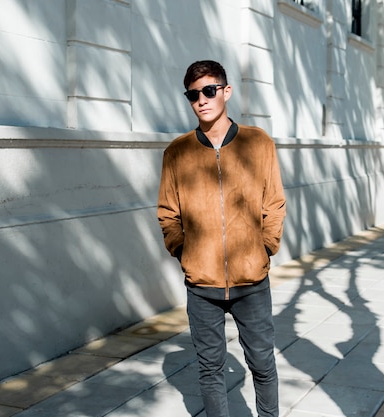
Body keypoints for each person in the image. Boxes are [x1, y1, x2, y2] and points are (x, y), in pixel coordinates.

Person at [157, 60, 286, 417]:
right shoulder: (177, 153)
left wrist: (266, 246)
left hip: (252, 280)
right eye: (193, 94)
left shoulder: (258, 143)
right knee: (210, 370)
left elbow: (274, 203)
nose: (202, 99)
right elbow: (168, 212)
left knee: (262, 365)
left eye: (209, 90)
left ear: (226, 91)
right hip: (202, 285)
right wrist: (185, 251)